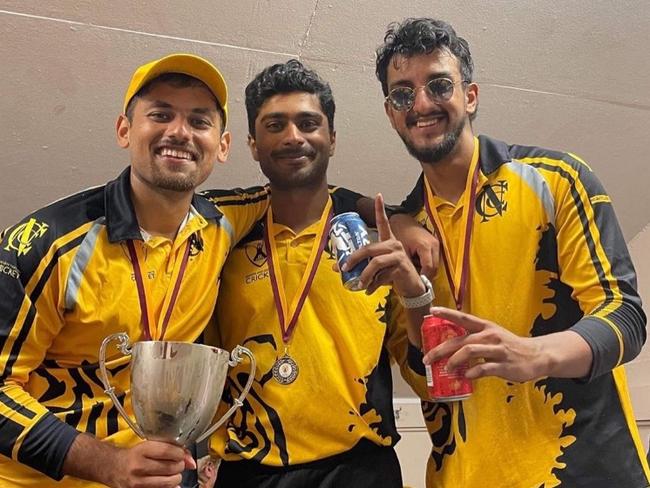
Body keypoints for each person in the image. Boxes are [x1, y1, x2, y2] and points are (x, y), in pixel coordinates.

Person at [375, 17, 650, 487]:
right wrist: (414, 298)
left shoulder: (554, 179)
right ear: (391, 112)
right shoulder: (399, 237)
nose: (421, 103)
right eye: (403, 93)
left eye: (438, 84)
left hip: (584, 470)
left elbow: (625, 317)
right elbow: (426, 382)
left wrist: (535, 354)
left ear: (471, 95)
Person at [0, 53, 271, 488]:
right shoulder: (49, 244)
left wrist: (402, 220)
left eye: (199, 121)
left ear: (222, 146)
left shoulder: (222, 224)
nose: (179, 132)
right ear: (125, 130)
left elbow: (304, 190)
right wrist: (108, 464)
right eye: (160, 115)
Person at [204, 59, 431, 488]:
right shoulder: (222, 241)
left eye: (308, 123)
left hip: (361, 471)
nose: (293, 137)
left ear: (331, 139)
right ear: (252, 144)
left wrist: (415, 293)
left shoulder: (376, 245)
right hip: (248, 472)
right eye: (275, 125)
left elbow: (428, 379)